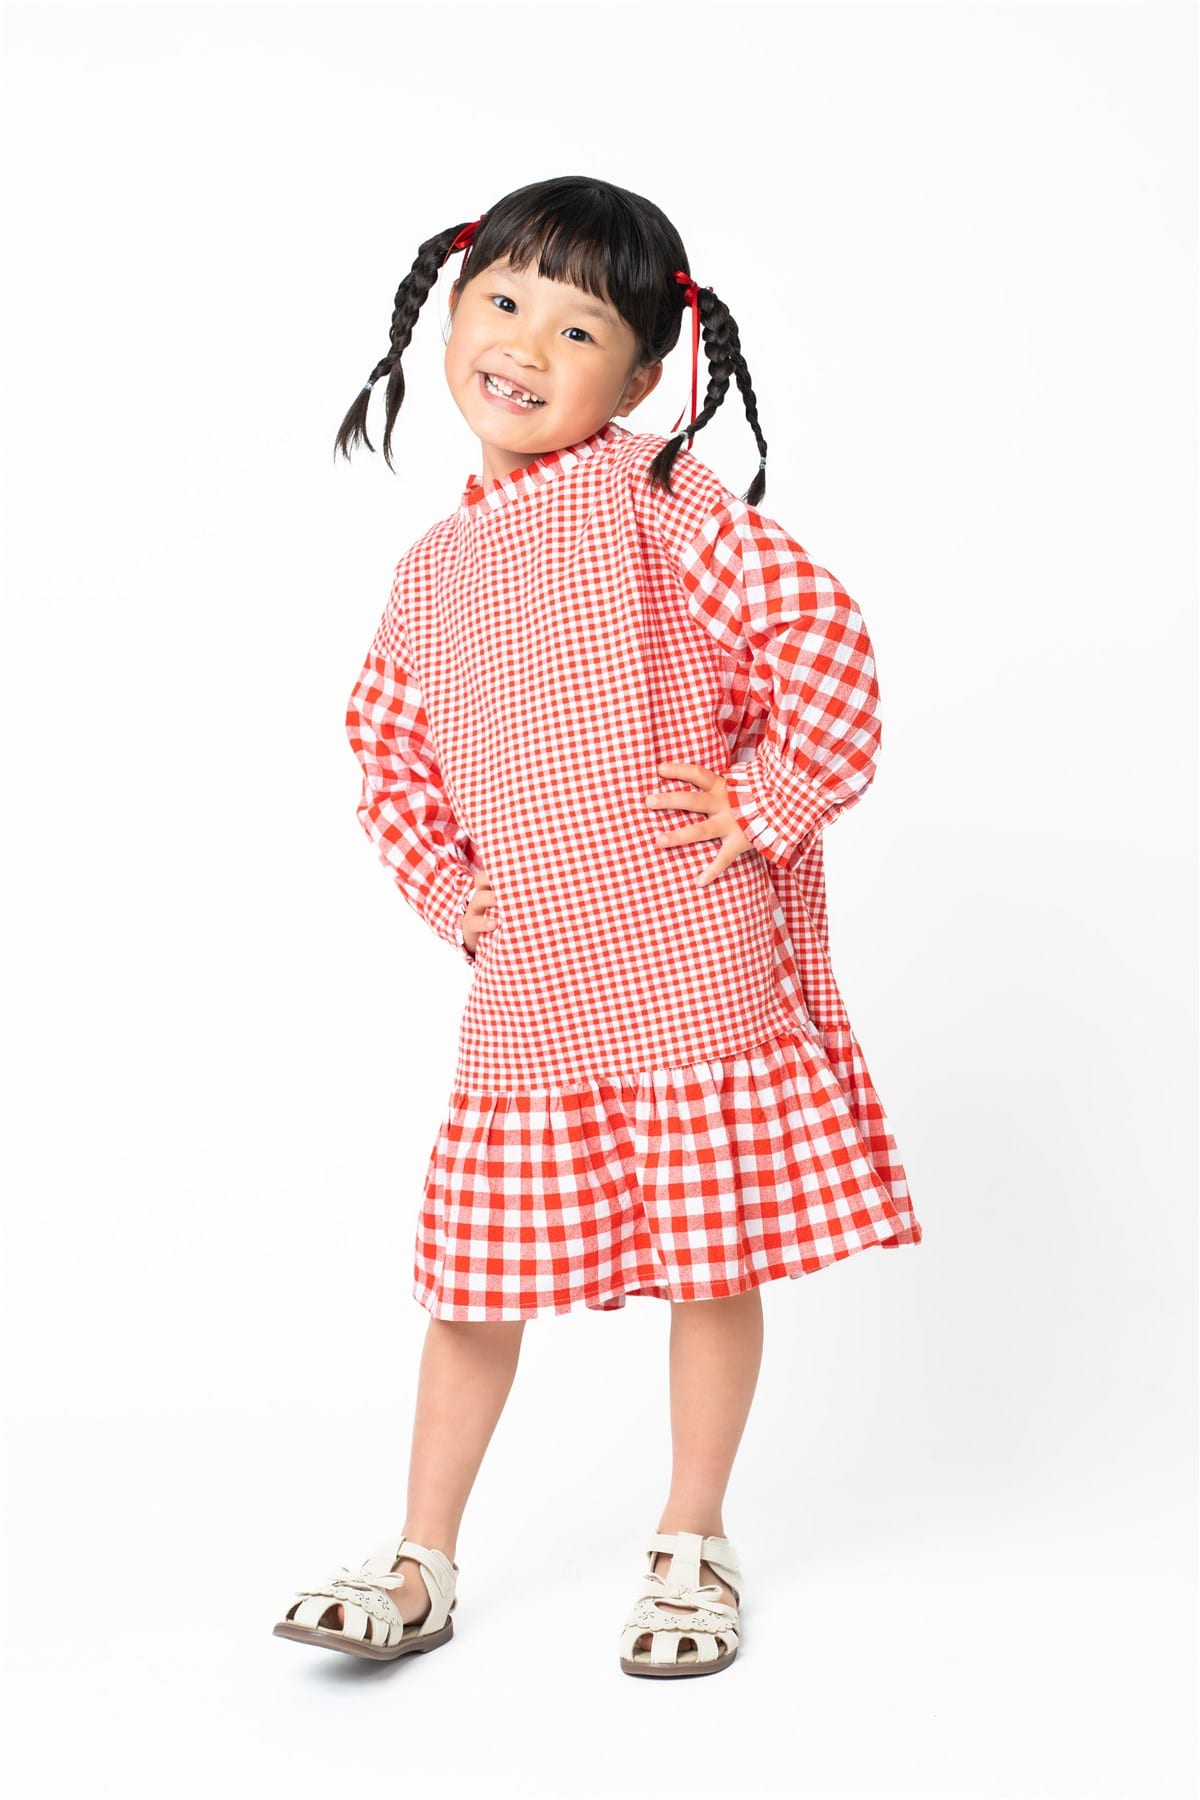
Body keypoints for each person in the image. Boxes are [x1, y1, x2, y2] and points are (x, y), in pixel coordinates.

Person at [272, 174, 923, 1680]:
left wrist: (769, 800)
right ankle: (422, 1553)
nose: (524, 344)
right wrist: (453, 891)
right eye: (503, 302)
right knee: (474, 1276)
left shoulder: (657, 500)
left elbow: (821, 632)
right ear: (452, 311)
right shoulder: (432, 568)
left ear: (637, 381)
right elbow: (385, 748)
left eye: (577, 330)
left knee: (710, 1256)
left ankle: (694, 1535)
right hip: (538, 978)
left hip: (689, 950)